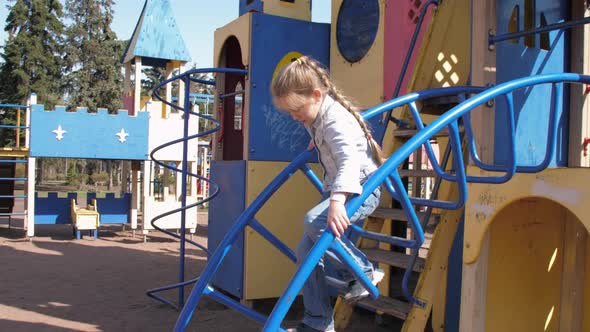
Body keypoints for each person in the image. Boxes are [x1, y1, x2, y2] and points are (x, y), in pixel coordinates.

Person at [271, 56, 385, 332]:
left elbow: (349, 160)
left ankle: (364, 270)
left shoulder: (335, 121)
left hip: (360, 189)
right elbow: (324, 132)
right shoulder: (319, 116)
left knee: (315, 221)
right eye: (290, 113)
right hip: (340, 189)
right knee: (305, 250)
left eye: (297, 110)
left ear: (317, 95)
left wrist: (336, 202)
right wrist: (317, 139)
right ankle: (319, 321)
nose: (295, 117)